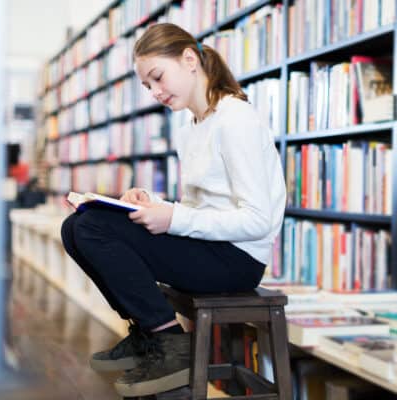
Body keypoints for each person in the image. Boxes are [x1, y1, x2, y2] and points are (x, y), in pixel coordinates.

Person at [60, 22, 286, 397]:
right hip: (210, 249)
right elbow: (201, 208)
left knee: (92, 226)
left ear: (189, 59)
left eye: (158, 77)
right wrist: (156, 204)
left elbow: (259, 220)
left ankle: (168, 341)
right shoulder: (191, 127)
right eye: (148, 85)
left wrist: (174, 218)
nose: (155, 92)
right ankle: (147, 331)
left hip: (238, 261)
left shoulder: (236, 119)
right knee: (76, 226)